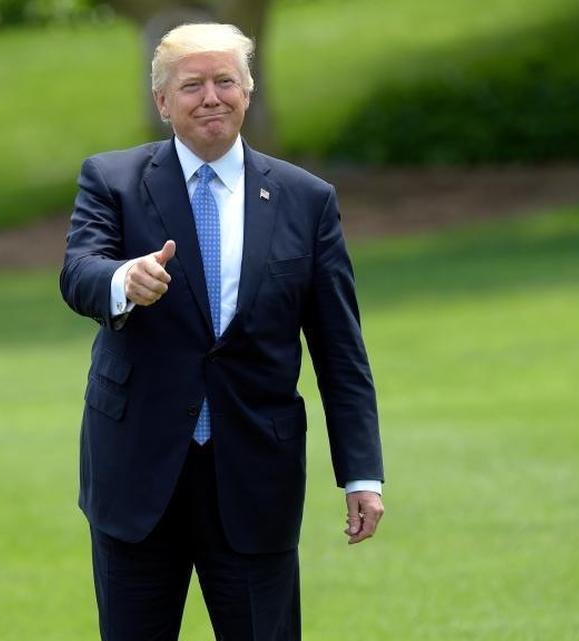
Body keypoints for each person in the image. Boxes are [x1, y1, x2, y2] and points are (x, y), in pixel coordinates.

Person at [59, 22, 384, 641]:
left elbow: (340, 351)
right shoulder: (112, 181)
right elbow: (79, 270)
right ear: (162, 102)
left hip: (255, 477)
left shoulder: (305, 199)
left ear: (248, 90)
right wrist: (124, 280)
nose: (211, 97)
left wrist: (361, 472)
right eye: (192, 85)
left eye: (225, 81)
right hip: (138, 479)